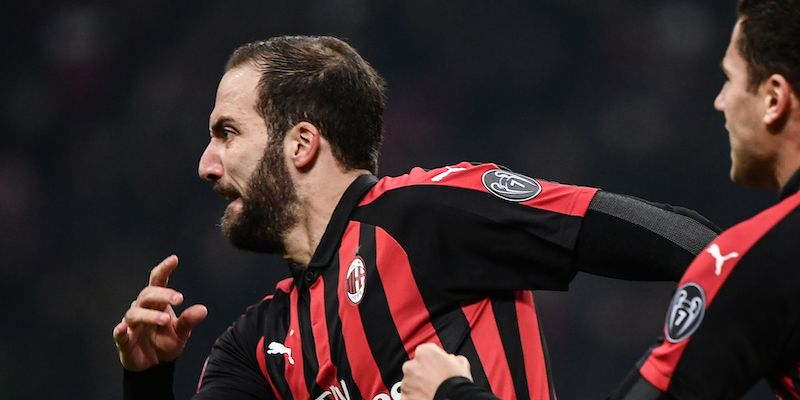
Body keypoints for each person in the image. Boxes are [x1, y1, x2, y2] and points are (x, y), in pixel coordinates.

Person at [112, 36, 720, 400]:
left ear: (301, 144)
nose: (205, 166)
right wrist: (146, 381)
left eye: (226, 133)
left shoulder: (427, 215)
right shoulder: (256, 346)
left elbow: (685, 241)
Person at [401, 0, 800, 398]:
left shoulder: (755, 262)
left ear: (773, 99)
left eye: (730, 79)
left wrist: (450, 392)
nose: (721, 101)